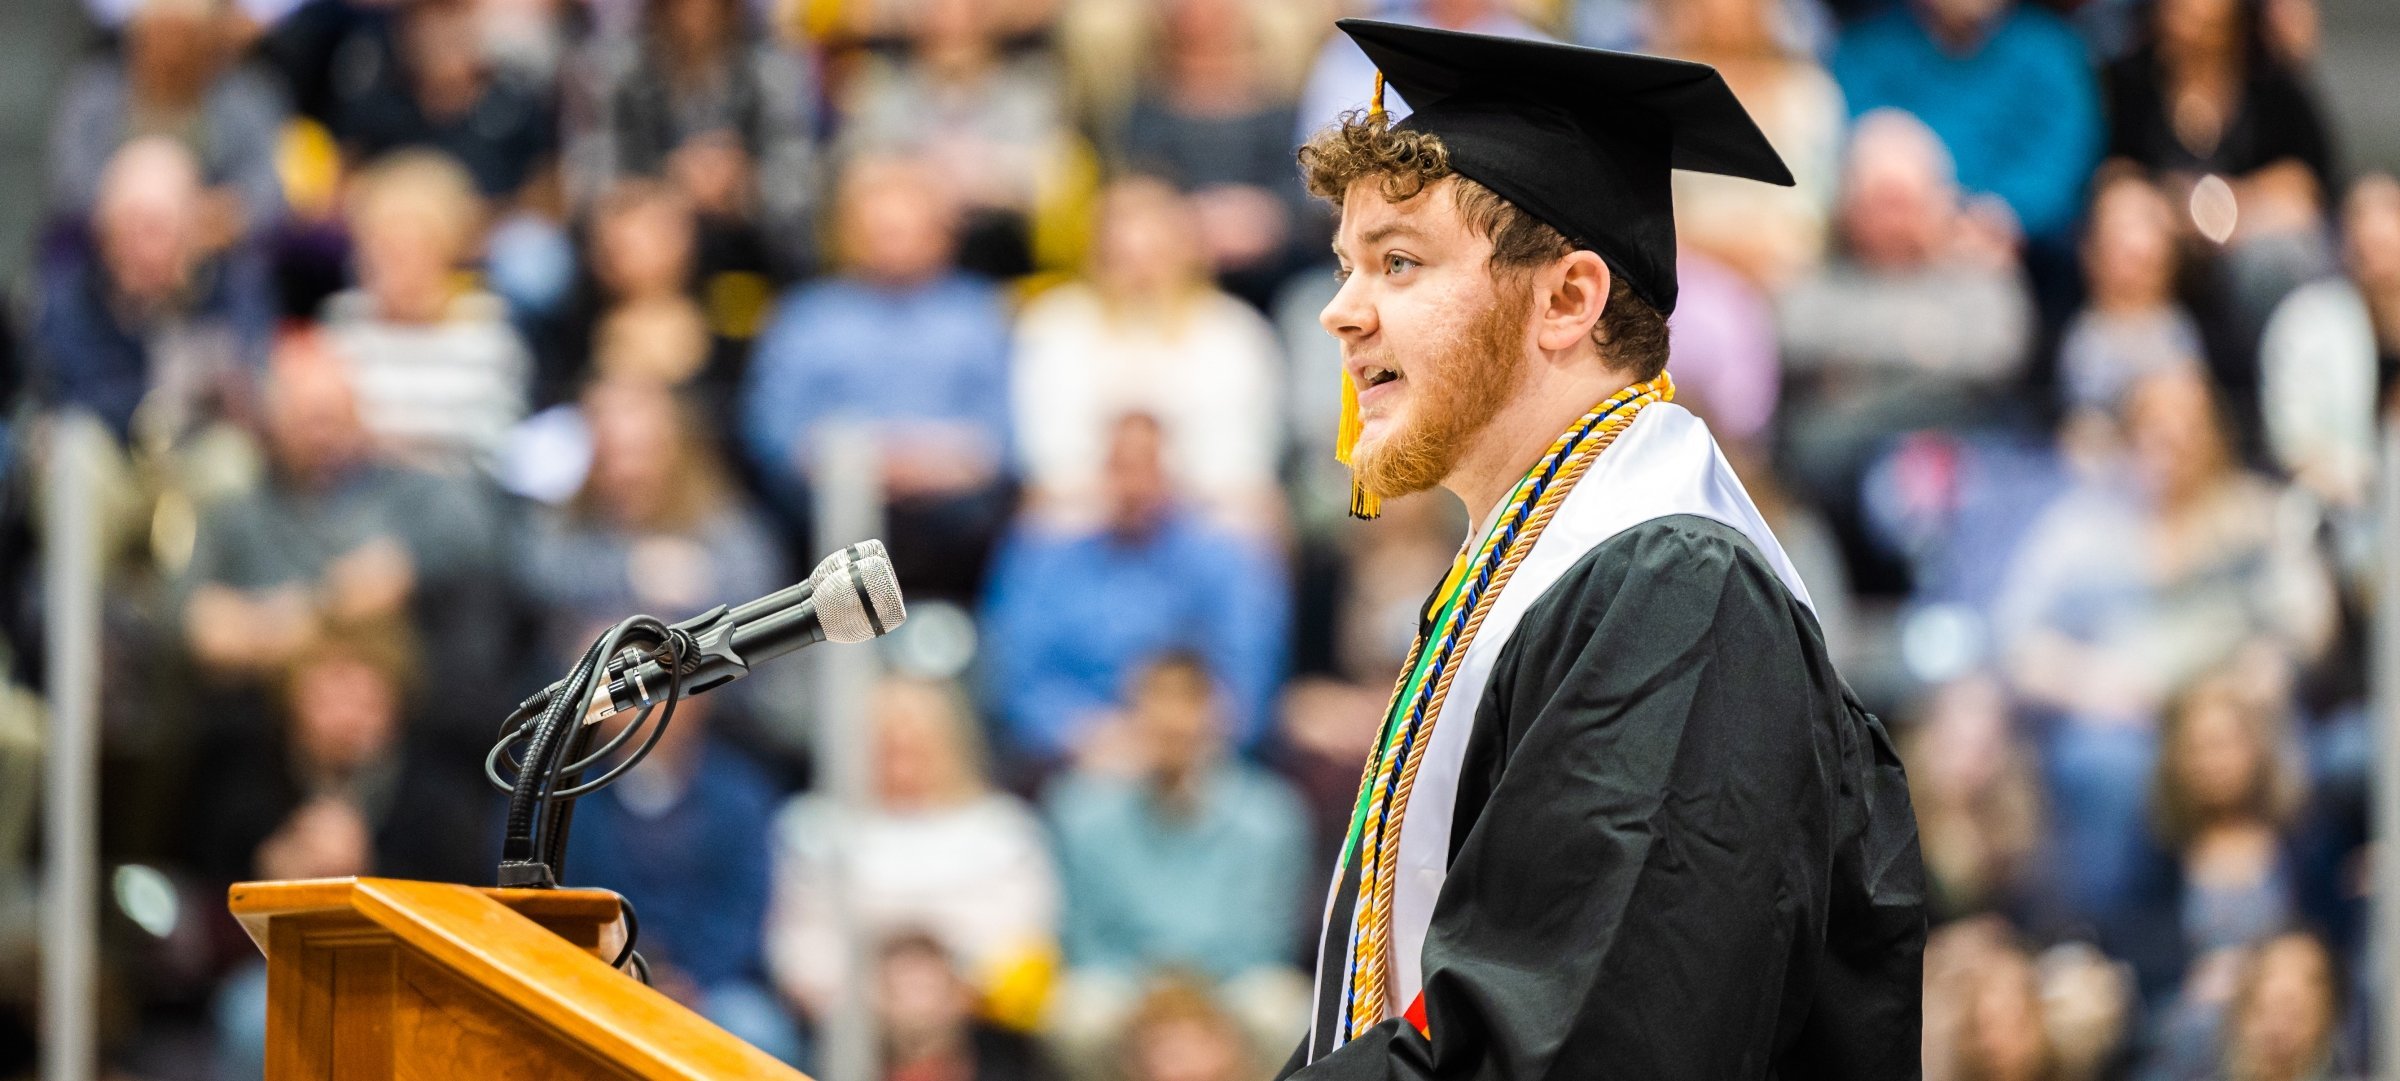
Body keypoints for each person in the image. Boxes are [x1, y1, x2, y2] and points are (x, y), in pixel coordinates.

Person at [1278, 21, 1922, 1076]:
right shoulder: (1522, 574)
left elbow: (1578, 1039)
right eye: (1347, 266)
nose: (1341, 313)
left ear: (1569, 299)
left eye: (1399, 262)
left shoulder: (1678, 590)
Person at [740, 155, 1016, 602]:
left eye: (907, 230)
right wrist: (866, 461)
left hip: (957, 532)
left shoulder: (980, 315)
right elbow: (770, 432)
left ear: (941, 233)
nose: (894, 244)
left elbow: (1006, 438)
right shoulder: (806, 317)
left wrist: (922, 465)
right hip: (826, 525)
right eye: (881, 231)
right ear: (849, 233)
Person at [1043, 653, 1311, 1069]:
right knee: (1076, 1013)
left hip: (1228, 984)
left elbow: (1266, 940)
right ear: (1133, 716)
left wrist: (1188, 997)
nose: (1172, 722)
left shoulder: (1270, 815)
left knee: (1281, 1010)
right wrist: (1156, 993)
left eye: (1188, 705)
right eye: (1157, 704)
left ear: (1220, 719)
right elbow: (1085, 939)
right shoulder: (1083, 814)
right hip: (1128, 985)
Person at [980, 413, 1288, 766]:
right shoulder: (1042, 561)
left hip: (1199, 758)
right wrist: (1082, 733)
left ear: (1173, 473)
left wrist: (1171, 740)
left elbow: (1247, 680)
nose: (1133, 486)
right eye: (1120, 467)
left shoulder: (1226, 561)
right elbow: (1015, 675)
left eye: (1147, 466)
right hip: (1072, 756)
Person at [768, 677, 1060, 1023]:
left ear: (951, 748)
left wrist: (950, 990)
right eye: (888, 750)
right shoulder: (814, 828)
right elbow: (801, 944)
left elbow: (1024, 936)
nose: (903, 766)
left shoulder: (1003, 829)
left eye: (917, 750)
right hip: (846, 1019)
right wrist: (876, 996)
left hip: (977, 1017)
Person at [1010, 176, 1285, 530]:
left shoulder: (1235, 332)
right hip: (1083, 521)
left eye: (1156, 254)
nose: (1140, 273)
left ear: (1188, 251)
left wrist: (1160, 495)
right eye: (1122, 257)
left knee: (1255, 520)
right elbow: (1048, 462)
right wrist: (1119, 496)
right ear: (1096, 253)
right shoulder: (1053, 326)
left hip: (1205, 522)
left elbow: (1241, 465)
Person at [558, 692, 802, 1065]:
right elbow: (560, 901)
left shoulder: (738, 795)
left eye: (657, 690)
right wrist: (626, 972)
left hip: (712, 987)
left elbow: (743, 909)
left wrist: (688, 982)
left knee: (757, 1030)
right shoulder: (570, 799)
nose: (643, 708)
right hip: (596, 980)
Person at [32, 136, 274, 444]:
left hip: (195, 448)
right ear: (104, 237)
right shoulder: (72, 300)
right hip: (112, 448)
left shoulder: (234, 288)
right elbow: (67, 396)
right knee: (75, 444)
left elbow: (254, 379)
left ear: (192, 231)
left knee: (231, 454)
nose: (142, 249)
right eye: (127, 229)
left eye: (156, 229)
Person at [321, 150, 533, 474]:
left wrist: (385, 447)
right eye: (379, 249)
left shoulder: (487, 334)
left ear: (444, 252)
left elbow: (492, 449)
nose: (388, 266)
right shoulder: (342, 323)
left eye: (407, 251)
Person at [1831, 0, 2102, 247]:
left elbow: (2062, 166)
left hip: (2026, 261)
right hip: (1882, 249)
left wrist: (2001, 216)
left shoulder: (2053, 53)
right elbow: (1845, 150)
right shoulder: (1866, 49)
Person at [47, 0, 288, 240]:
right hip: (107, 242)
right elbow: (69, 174)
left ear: (206, 44)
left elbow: (268, 185)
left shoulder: (246, 101)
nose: (171, 52)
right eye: (161, 37)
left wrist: (225, 213)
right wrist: (128, 212)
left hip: (213, 248)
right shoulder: (95, 93)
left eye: (184, 39)